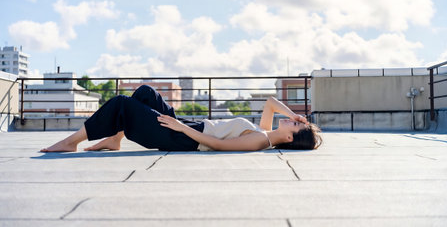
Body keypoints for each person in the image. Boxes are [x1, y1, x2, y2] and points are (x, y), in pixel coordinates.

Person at [40, 85, 322, 153]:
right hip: (187, 128)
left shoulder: (259, 141)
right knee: (147, 93)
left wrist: (179, 127)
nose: (291, 121)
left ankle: (70, 142)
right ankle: (115, 139)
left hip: (182, 137)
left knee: (121, 104)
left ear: (289, 138)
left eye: (294, 125)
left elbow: (217, 144)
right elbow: (270, 103)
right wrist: (291, 113)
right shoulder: (264, 132)